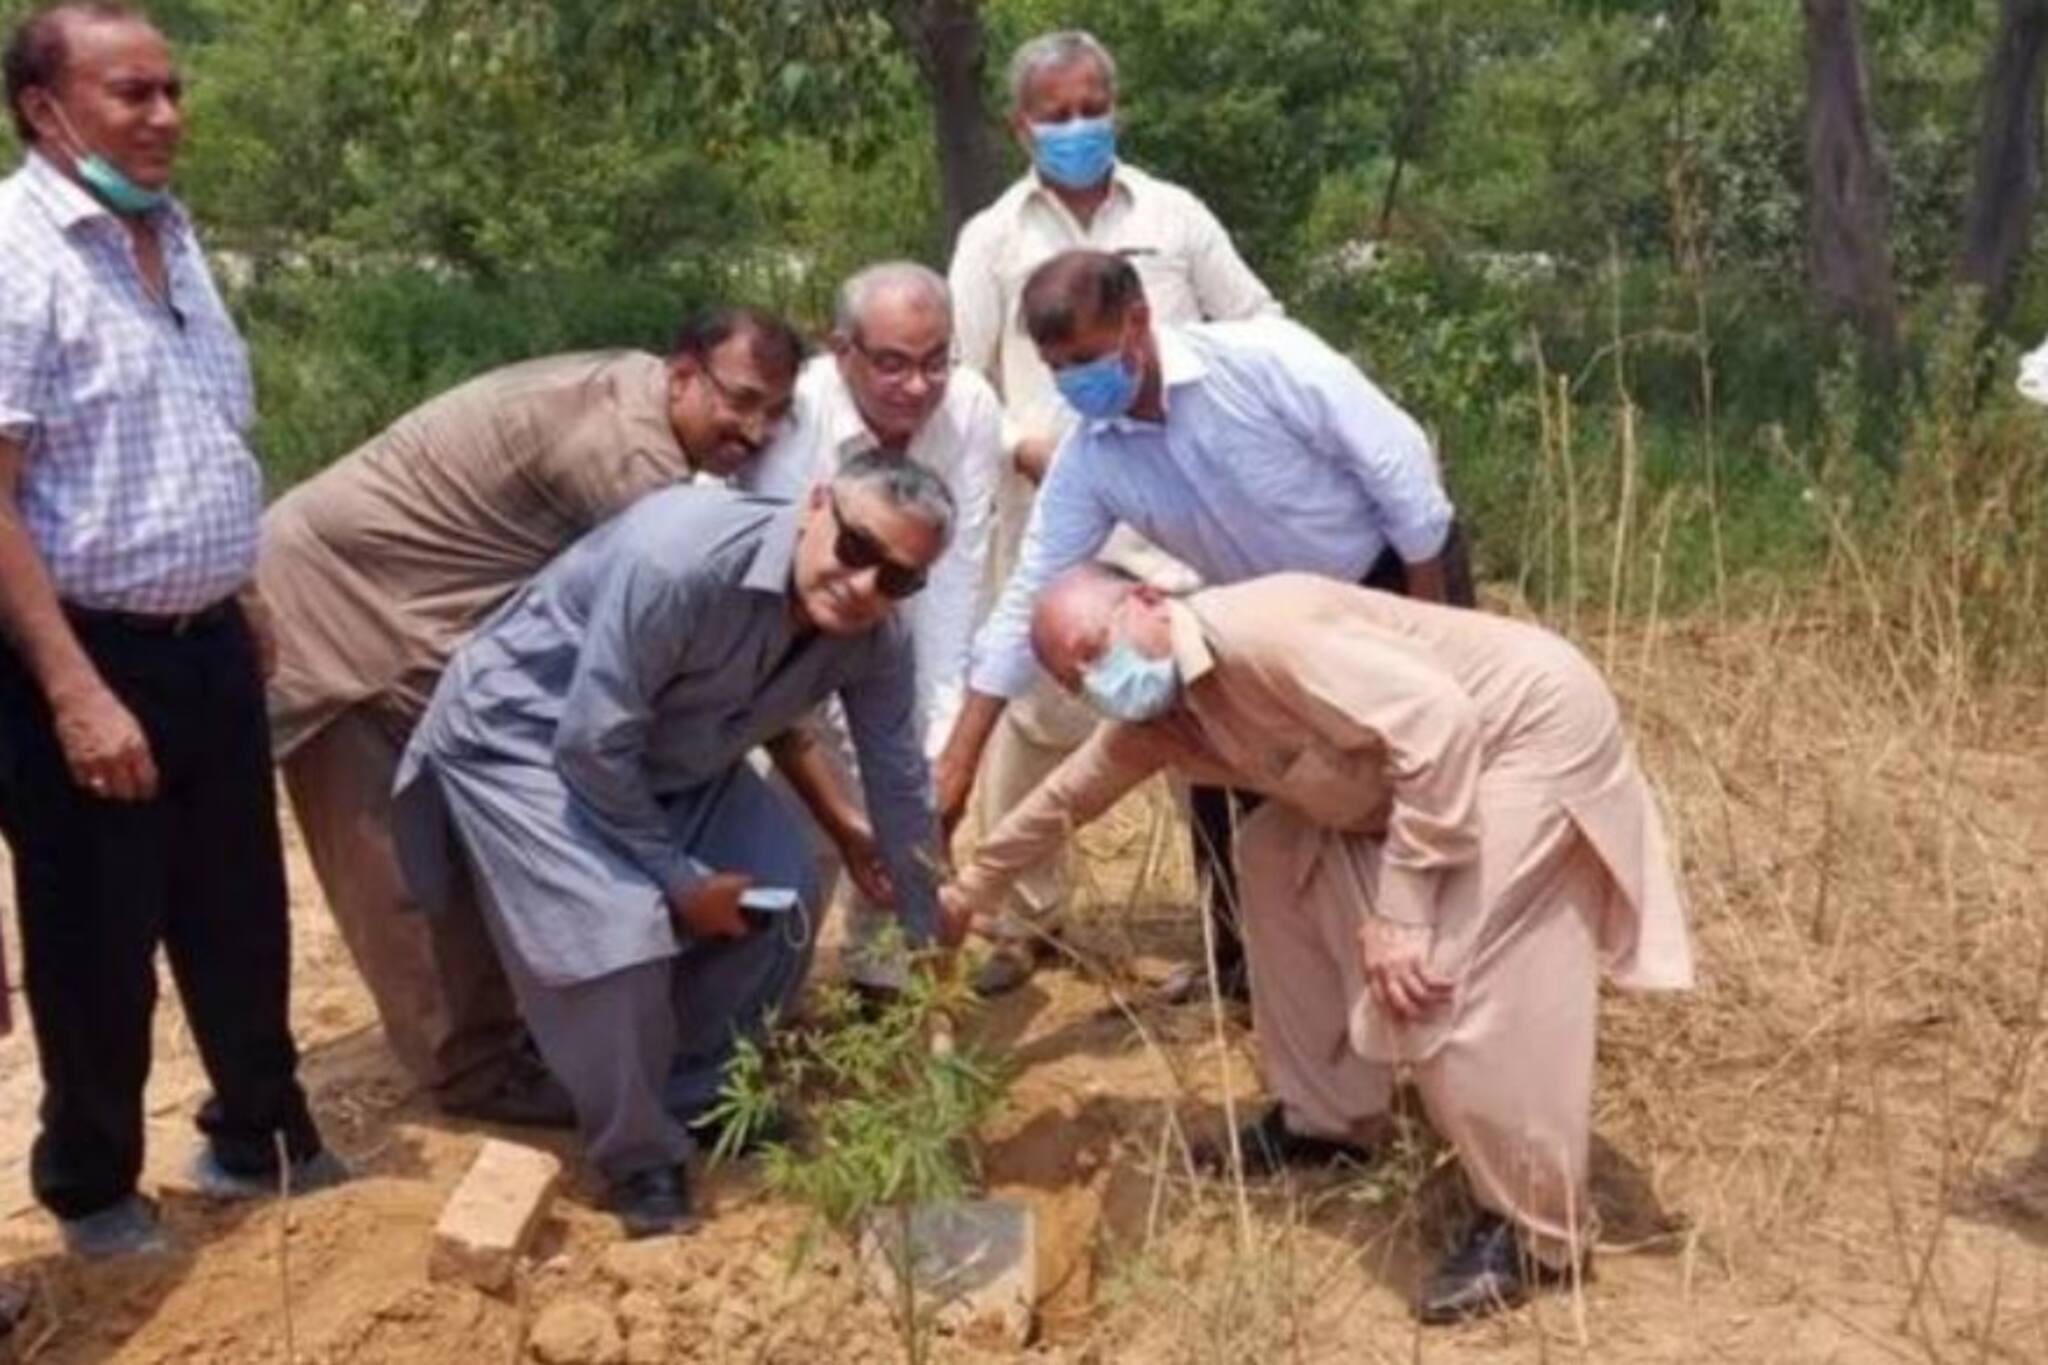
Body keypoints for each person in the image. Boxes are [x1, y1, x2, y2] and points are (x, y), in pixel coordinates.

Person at [940, 564, 1693, 1323]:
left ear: (1146, 602)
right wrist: (969, 891)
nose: (1096, 681)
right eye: (1074, 680)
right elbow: (1069, 796)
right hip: (1410, 775)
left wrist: (1403, 912)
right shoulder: (1160, 718)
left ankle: (1538, 1232)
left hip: (1522, 736)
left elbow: (1440, 727)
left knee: (1443, 973)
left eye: (1094, 649)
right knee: (1271, 851)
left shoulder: (1267, 635)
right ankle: (1325, 1123)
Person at [259, 309, 804, 1126]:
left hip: (423, 617)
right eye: (742, 400)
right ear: (683, 374)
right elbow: (679, 649)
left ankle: (519, 1034)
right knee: (400, 868)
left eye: (774, 413)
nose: (754, 431)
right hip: (335, 613)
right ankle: (473, 1074)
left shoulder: (640, 396)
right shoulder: (629, 459)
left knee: (472, 831)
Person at [393, 458, 952, 1237]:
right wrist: (680, 879)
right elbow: (590, 745)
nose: (865, 587)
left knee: (782, 893)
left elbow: (897, 781)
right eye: (856, 548)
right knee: (618, 934)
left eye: (898, 577)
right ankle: (638, 1153)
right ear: (816, 504)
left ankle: (695, 1096)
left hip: (673, 753)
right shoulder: (680, 560)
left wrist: (926, 936)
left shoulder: (876, 638)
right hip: (529, 736)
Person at [0, 1, 344, 1259]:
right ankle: (92, 1188)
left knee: (239, 910)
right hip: (83, 652)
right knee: (99, 939)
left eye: (171, 90)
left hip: (205, 640)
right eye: (130, 95)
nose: (163, 118)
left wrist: (239, 590)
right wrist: (72, 687)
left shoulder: (171, 238)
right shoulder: (16, 257)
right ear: (45, 110)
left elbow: (197, 439)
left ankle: (262, 1137)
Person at [937, 249, 1475, 997]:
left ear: (1138, 322)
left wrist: (1424, 631)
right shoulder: (1093, 459)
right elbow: (1034, 589)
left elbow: (1405, 482)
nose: (1074, 383)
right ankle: (1253, 974)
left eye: (1087, 358)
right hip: (1256, 625)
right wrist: (958, 764)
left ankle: (1448, 959)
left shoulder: (1264, 362)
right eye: (1059, 368)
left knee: (1425, 772)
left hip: (1389, 576)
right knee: (1241, 804)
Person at [948, 28, 1283, 997]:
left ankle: (1241, 943)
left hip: (1184, 519)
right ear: (1020, 125)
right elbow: (962, 385)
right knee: (1040, 713)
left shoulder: (1173, 219)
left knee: (1209, 721)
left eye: (1092, 105)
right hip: (1058, 519)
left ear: (1115, 105)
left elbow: (1256, 322)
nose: (1077, 126)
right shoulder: (994, 239)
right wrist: (1020, 442)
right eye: (1055, 114)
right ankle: (1019, 918)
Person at [737, 263, 999, 994]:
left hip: (903, 618)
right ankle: (759, 998)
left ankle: (886, 978)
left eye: (935, 361)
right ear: (842, 349)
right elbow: (801, 589)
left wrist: (938, 750)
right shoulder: (800, 418)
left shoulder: (972, 405)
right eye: (891, 363)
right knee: (807, 823)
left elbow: (957, 578)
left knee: (912, 799)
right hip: (788, 628)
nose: (917, 387)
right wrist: (864, 794)